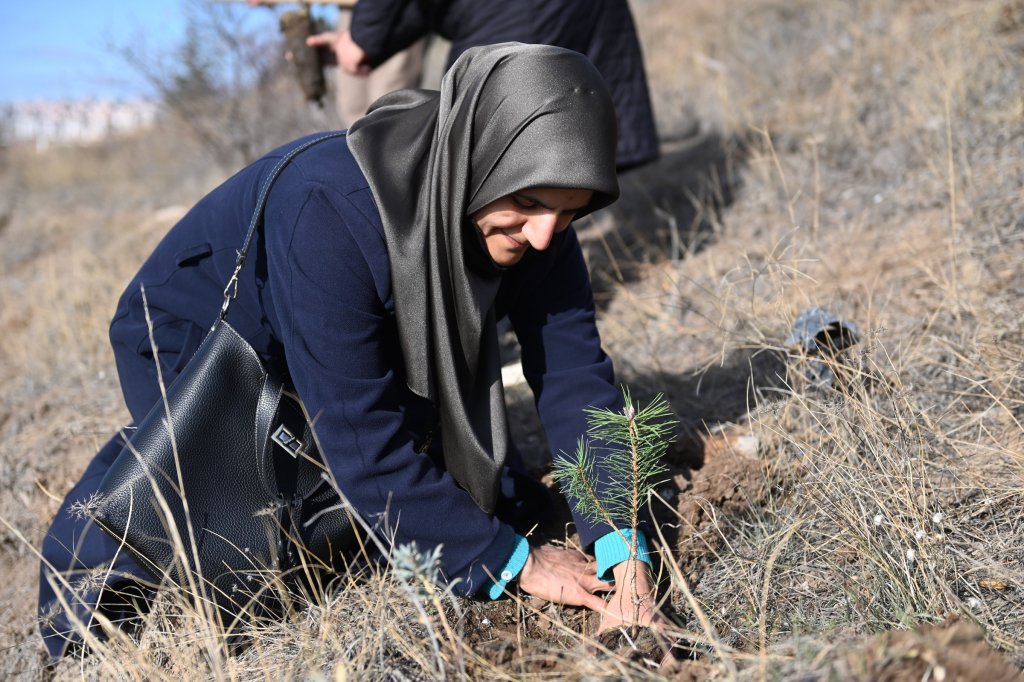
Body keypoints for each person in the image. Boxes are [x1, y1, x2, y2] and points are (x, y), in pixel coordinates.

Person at [38, 43, 659, 662]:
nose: (545, 234)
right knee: (246, 537)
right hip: (203, 333)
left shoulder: (534, 202)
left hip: (335, 319)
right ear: (480, 155)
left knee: (457, 496)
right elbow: (362, 436)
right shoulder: (329, 211)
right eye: (527, 203)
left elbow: (575, 379)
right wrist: (511, 561)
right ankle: (93, 578)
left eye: (570, 212)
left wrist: (623, 553)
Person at [320, 0, 660, 171]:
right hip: (531, 10)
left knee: (478, 158)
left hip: (522, 10)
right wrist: (370, 44)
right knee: (533, 153)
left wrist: (364, 37)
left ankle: (541, 280)